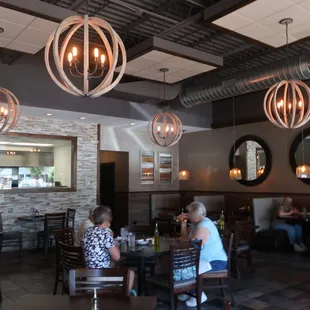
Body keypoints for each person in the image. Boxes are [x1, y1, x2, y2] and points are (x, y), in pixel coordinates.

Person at [177, 201, 227, 307]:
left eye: (189, 213)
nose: (187, 215)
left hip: (216, 261)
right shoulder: (197, 224)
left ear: (195, 214)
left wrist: (182, 239)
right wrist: (183, 223)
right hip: (205, 260)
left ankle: (199, 295)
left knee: (189, 268)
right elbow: (185, 235)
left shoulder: (204, 225)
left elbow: (193, 244)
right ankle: (189, 293)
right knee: (183, 264)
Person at [82, 205, 135, 290]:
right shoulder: (105, 233)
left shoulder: (87, 231)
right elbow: (117, 257)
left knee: (114, 266)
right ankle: (125, 300)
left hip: (88, 274)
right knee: (130, 273)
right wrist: (115, 243)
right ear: (107, 221)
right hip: (100, 276)